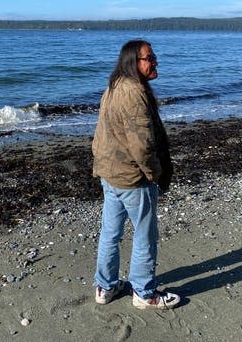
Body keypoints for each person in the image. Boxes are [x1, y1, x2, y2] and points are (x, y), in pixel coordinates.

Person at [92, 39, 180, 309]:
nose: (155, 62)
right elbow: (142, 145)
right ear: (133, 62)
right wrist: (155, 174)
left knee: (111, 232)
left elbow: (102, 133)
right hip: (132, 178)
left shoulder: (115, 85)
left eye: (154, 57)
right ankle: (143, 292)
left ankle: (105, 287)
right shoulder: (132, 92)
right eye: (149, 58)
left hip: (111, 173)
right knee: (144, 235)